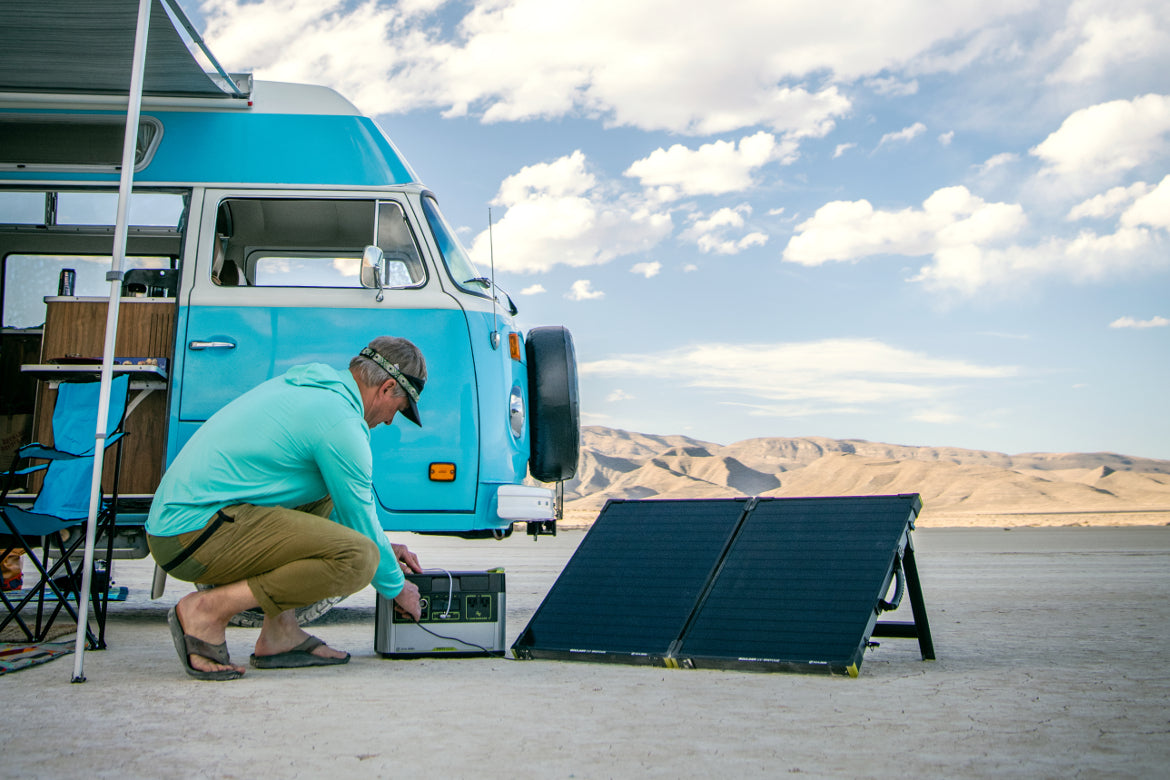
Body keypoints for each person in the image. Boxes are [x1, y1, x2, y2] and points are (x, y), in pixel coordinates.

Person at [146, 336, 427, 680]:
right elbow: (360, 525)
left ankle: (281, 634)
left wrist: (388, 546)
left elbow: (350, 512)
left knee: (330, 492)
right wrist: (398, 587)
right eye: (397, 410)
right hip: (191, 534)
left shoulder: (317, 388)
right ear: (385, 388)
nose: (388, 422)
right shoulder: (340, 423)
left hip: (188, 522)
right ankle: (206, 611)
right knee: (360, 559)